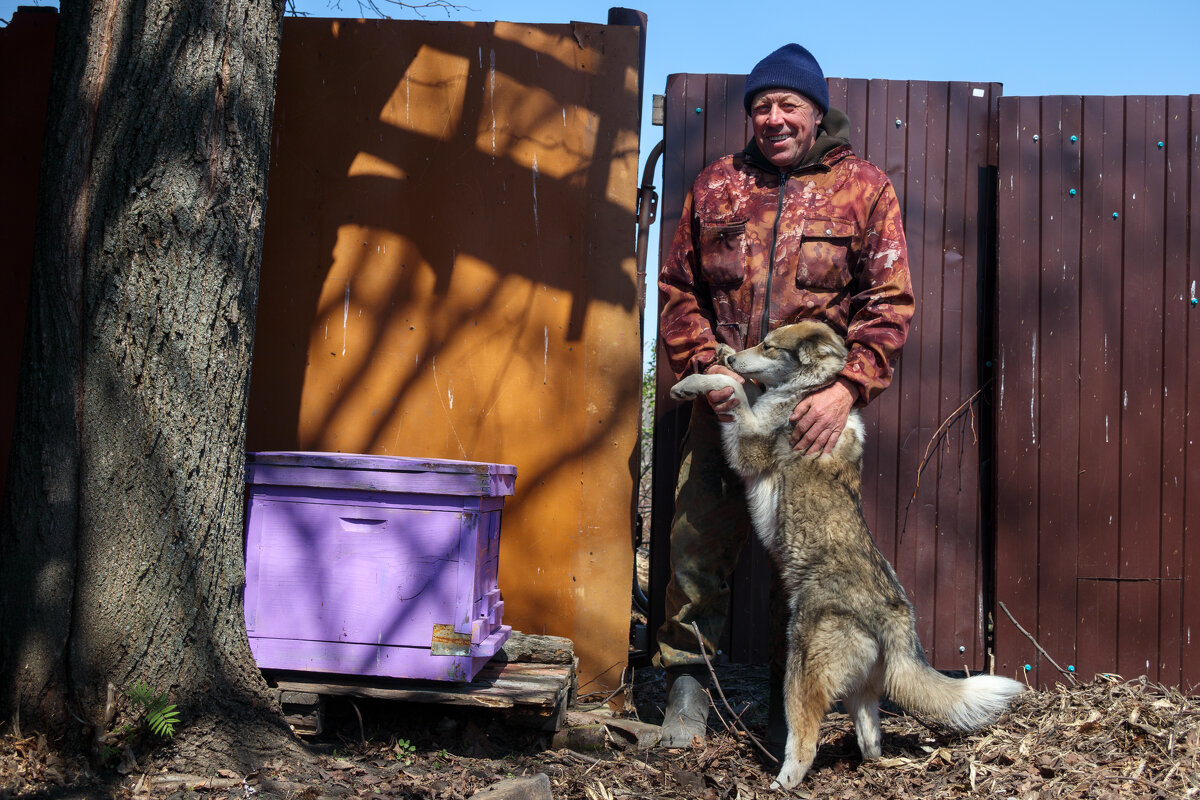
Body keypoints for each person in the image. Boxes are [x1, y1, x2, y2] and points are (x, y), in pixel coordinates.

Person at [655, 43, 915, 748]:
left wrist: (848, 389)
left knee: (804, 560)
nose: (772, 118)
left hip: (812, 416)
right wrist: (711, 367)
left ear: (815, 111)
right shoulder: (716, 186)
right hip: (728, 407)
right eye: (761, 106)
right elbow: (680, 290)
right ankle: (686, 691)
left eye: (787, 105)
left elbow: (888, 304)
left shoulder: (864, 188)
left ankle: (785, 700)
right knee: (695, 546)